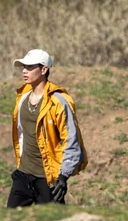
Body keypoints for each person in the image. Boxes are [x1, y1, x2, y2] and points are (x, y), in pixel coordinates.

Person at [8, 49, 88, 208]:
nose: (25, 71)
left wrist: (63, 176)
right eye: (24, 67)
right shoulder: (22, 97)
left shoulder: (58, 101)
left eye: (30, 67)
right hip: (23, 175)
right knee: (10, 219)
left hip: (48, 178)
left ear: (44, 70)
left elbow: (71, 139)